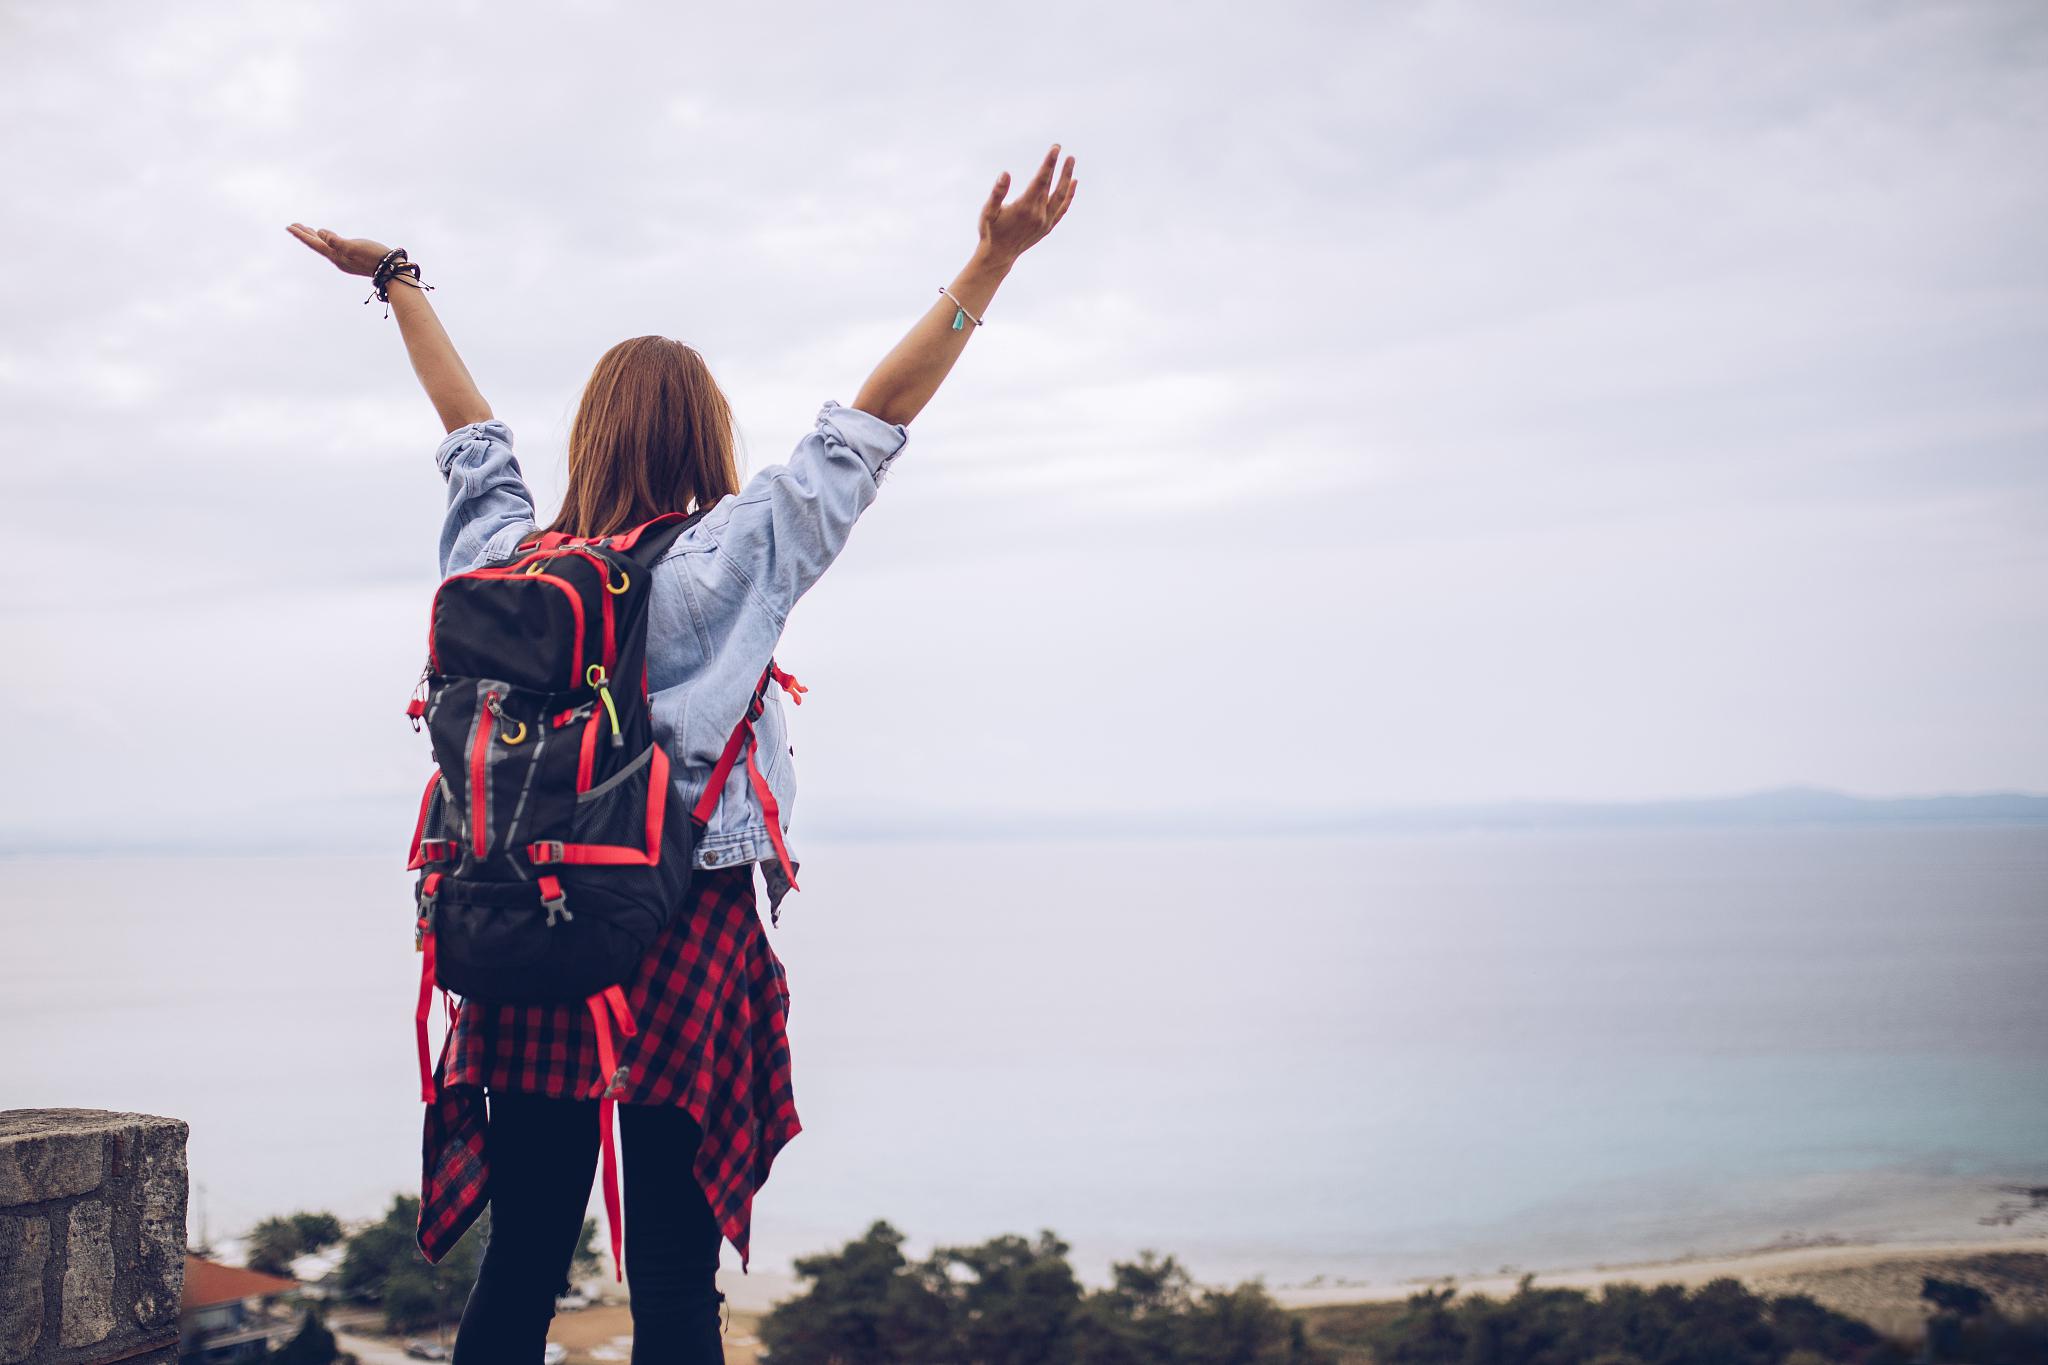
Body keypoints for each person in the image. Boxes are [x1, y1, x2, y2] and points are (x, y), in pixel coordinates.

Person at [286, 143, 1078, 1363]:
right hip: (680, 923)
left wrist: (394, 277)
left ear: (591, 435)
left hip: (517, 917)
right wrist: (990, 260)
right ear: (706, 432)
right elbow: (867, 427)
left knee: (528, 1252)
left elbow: (468, 433)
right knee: (668, 1266)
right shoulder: (732, 557)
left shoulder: (504, 556)